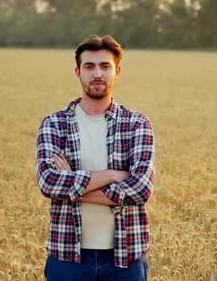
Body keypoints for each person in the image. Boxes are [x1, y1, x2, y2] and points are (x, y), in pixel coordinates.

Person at [35, 34, 155, 281]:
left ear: (117, 71)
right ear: (78, 71)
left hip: (125, 259)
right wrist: (113, 176)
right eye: (89, 66)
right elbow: (48, 182)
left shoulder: (136, 124)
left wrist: (71, 183)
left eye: (105, 66)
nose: (97, 73)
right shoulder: (54, 124)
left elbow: (141, 189)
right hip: (67, 256)